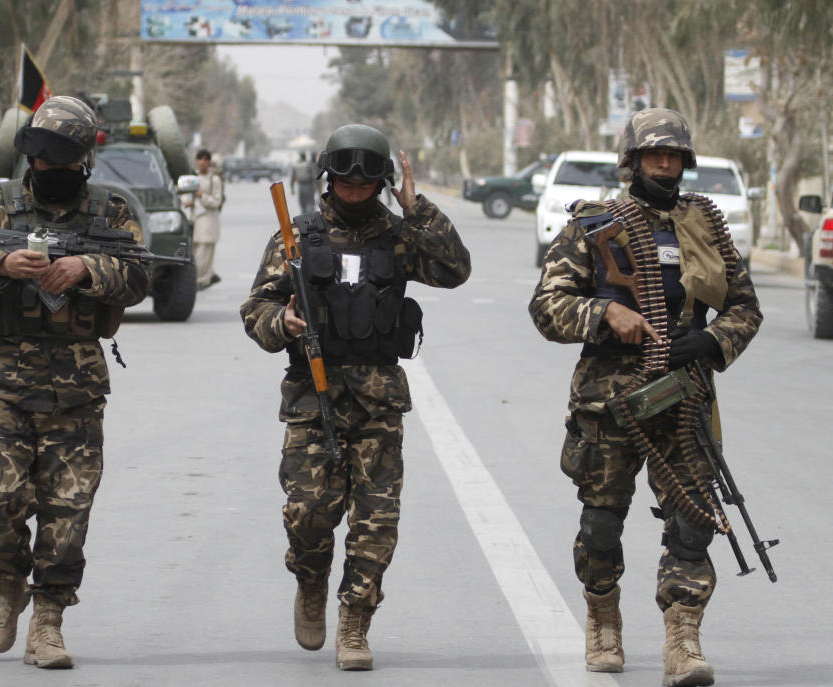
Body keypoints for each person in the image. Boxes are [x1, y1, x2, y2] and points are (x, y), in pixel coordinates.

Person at [528, 108, 762, 686]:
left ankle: (683, 639)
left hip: (683, 399)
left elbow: (745, 307)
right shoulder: (596, 224)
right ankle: (603, 618)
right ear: (630, 161)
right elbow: (547, 306)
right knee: (602, 523)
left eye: (674, 155)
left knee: (693, 522)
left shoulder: (704, 225)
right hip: (609, 405)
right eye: (654, 154)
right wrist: (605, 312)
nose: (665, 164)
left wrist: (709, 340)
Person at [0, 95, 151, 669]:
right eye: (42, 160)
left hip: (77, 389)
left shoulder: (111, 211)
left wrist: (86, 269)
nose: (49, 171)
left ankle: (48, 620)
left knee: (68, 512)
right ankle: (7, 589)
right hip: (5, 384)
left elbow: (141, 274)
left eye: (62, 162)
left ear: (84, 161)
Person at [240, 124, 471, 671]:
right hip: (310, 399)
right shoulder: (296, 237)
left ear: (382, 184)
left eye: (367, 186)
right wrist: (284, 321)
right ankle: (311, 580)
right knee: (308, 515)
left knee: (377, 522)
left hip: (378, 403)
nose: (355, 193)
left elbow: (455, 269)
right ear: (329, 179)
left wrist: (418, 210)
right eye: (345, 184)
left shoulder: (399, 236)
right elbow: (256, 309)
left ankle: (355, 622)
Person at [190, 148, 223, 290]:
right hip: (194, 218)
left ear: (209, 162)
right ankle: (200, 278)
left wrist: (201, 196)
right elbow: (183, 194)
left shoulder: (214, 180)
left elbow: (216, 201)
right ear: (196, 161)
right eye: (200, 159)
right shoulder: (192, 177)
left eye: (205, 159)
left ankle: (201, 280)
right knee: (197, 249)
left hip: (209, 219)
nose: (202, 162)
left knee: (206, 249)